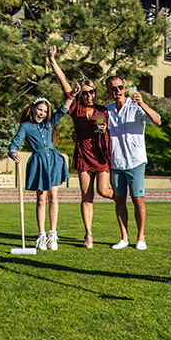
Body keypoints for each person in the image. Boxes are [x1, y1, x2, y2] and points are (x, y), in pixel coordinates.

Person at [48, 46, 114, 248]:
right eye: (85, 93)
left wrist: (103, 130)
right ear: (81, 95)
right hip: (83, 157)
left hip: (100, 157)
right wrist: (52, 60)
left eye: (92, 92)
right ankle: (88, 235)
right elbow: (64, 85)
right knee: (86, 197)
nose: (89, 96)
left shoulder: (102, 110)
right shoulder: (75, 109)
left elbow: (107, 131)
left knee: (103, 191)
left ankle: (120, 197)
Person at [8, 86, 78, 251]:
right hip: (39, 163)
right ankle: (41, 235)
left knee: (53, 197)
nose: (42, 113)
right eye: (39, 110)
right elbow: (14, 143)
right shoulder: (25, 126)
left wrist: (73, 94)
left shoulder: (49, 124)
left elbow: (63, 109)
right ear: (33, 109)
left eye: (45, 111)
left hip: (54, 161)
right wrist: (13, 153)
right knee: (41, 198)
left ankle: (52, 234)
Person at [105, 75, 162, 250]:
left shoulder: (136, 107)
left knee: (138, 200)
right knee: (119, 200)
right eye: (113, 88)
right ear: (109, 91)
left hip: (135, 161)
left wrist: (142, 103)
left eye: (120, 87)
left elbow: (158, 121)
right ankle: (124, 237)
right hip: (116, 163)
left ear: (125, 88)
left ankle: (141, 237)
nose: (118, 91)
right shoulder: (106, 110)